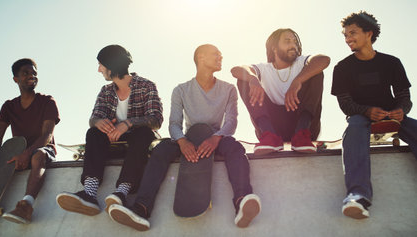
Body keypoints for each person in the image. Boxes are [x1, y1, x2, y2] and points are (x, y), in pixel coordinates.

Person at [106, 44, 261, 231]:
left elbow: (231, 121)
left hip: (216, 138)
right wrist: (182, 141)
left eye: (221, 55)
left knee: (235, 148)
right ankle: (142, 208)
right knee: (160, 149)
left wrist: (216, 138)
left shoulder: (228, 89)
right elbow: (174, 124)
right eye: (216, 55)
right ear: (201, 58)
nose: (221, 57)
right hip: (187, 138)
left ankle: (242, 201)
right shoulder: (180, 90)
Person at [56, 45, 163, 217]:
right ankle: (89, 193)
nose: (99, 70)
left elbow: (156, 119)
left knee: (144, 133)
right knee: (93, 133)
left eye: (101, 65)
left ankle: (121, 193)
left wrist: (128, 124)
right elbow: (94, 118)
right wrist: (100, 123)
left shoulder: (146, 85)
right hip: (112, 144)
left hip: (138, 146)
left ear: (112, 65)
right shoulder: (106, 91)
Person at [332, 11, 417, 219]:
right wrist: (367, 111)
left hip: (392, 118)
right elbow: (345, 104)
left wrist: (401, 110)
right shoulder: (342, 67)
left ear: (369, 33)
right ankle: (358, 195)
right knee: (353, 128)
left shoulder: (392, 62)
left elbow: (404, 97)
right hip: (361, 120)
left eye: (352, 33)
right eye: (345, 35)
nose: (347, 38)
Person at [0, 58, 60, 224]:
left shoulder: (47, 101)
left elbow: (47, 135)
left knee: (37, 156)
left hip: (42, 149)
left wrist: (27, 153)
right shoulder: (9, 106)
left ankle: (26, 206)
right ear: (15, 79)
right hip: (16, 151)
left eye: (34, 73)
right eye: (25, 73)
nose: (31, 76)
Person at [231, 28, 330, 154]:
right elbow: (236, 70)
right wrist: (252, 78)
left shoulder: (302, 63)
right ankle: (269, 136)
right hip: (274, 127)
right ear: (274, 48)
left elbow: (324, 60)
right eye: (287, 41)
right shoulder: (264, 69)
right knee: (244, 80)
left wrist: (297, 81)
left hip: (304, 125)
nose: (293, 45)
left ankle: (301, 135)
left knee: (316, 72)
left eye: (295, 42)